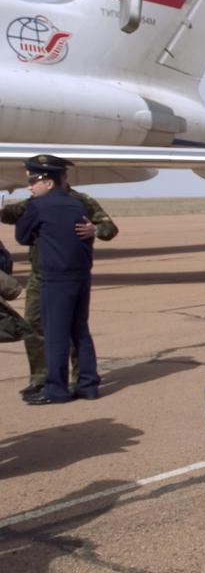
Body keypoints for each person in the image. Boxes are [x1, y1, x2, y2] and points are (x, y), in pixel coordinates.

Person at [1, 155, 117, 401]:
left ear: (54, 179)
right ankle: (44, 380)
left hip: (54, 276)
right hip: (49, 275)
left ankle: (61, 386)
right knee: (41, 327)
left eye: (35, 179)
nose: (30, 186)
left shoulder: (77, 201)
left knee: (60, 332)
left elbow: (109, 228)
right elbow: (13, 213)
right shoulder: (45, 201)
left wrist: (94, 230)